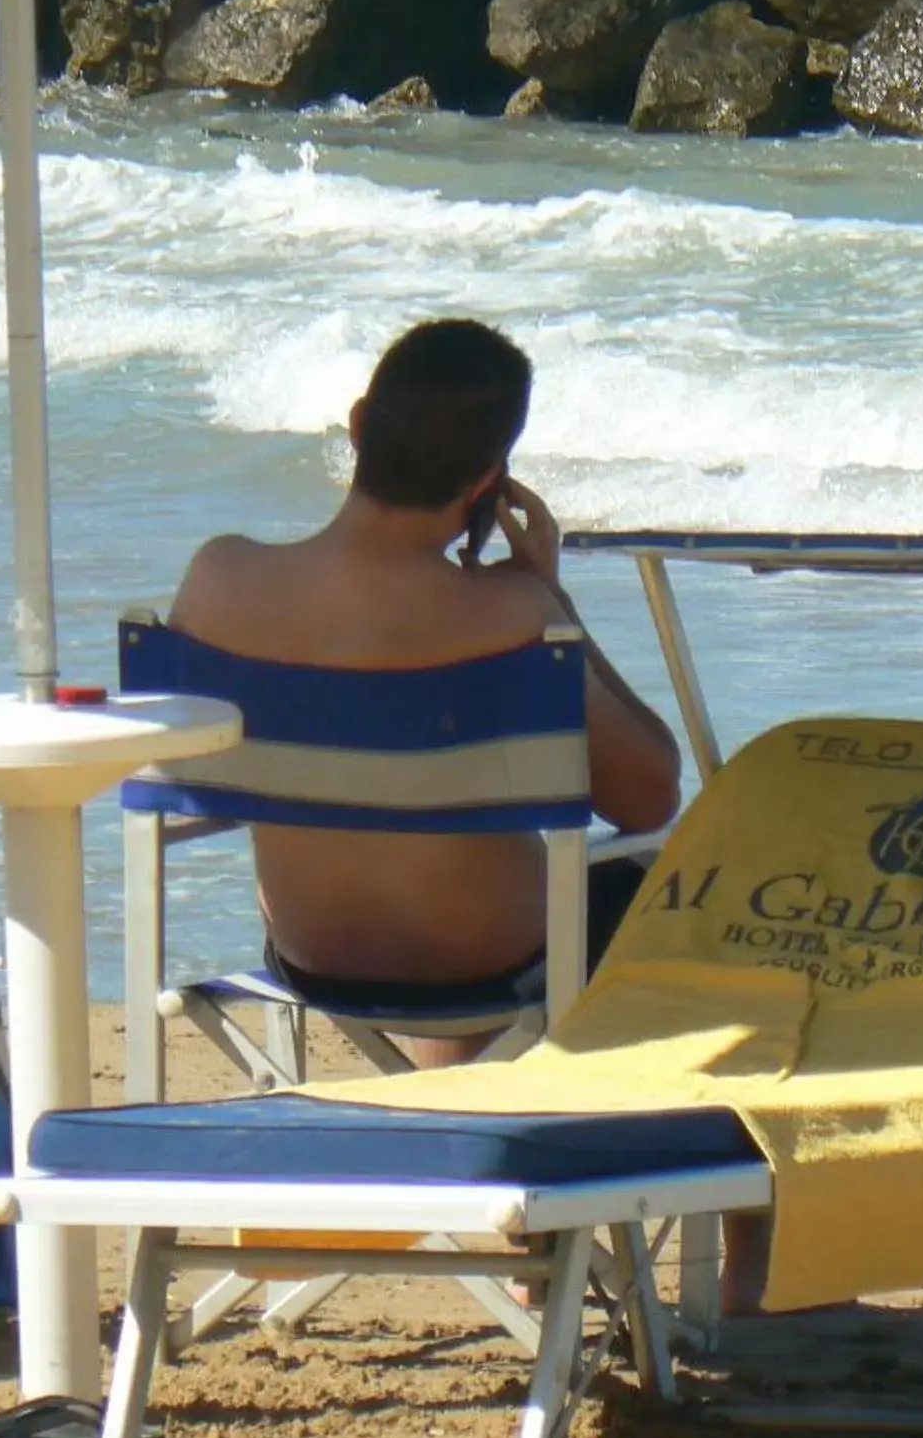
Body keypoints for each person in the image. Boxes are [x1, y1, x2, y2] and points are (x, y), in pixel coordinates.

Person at [170, 318, 681, 1058]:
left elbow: (186, 778)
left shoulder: (218, 580)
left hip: (313, 958)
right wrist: (551, 599)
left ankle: (442, 1092)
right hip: (495, 963)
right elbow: (650, 796)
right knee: (664, 876)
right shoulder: (511, 617)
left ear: (357, 427)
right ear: (485, 485)